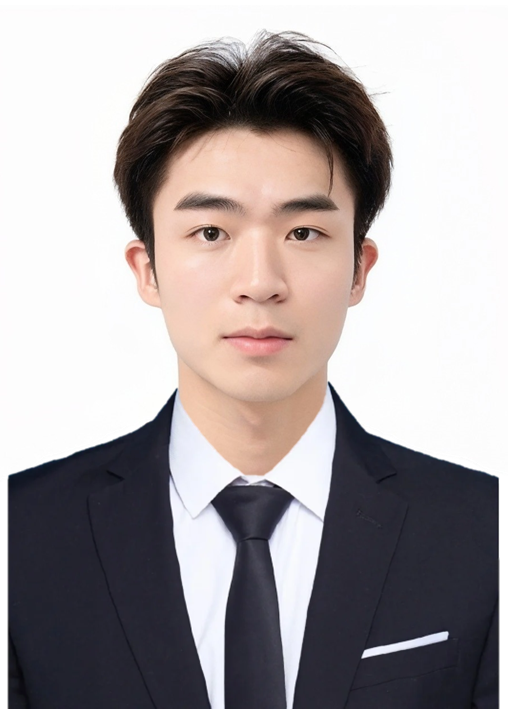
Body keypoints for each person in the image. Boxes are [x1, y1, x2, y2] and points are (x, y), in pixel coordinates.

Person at [8, 31, 498, 709]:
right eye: (211, 232)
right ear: (147, 270)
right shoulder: (21, 536)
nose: (261, 282)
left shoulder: (483, 533)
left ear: (359, 270)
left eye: (304, 233)